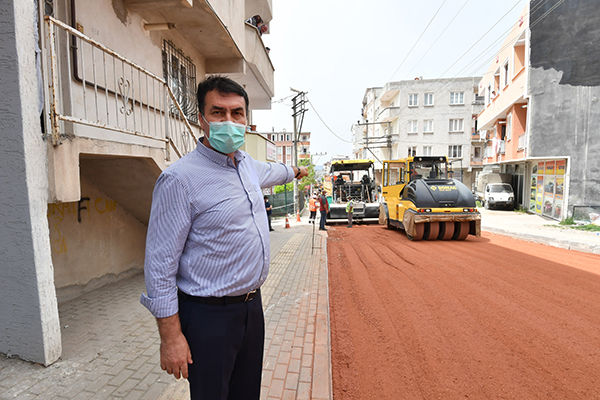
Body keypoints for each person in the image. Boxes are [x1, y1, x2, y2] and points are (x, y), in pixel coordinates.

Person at [140, 75, 308, 400]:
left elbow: (276, 171)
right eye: (218, 112)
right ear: (201, 119)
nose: (229, 121)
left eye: (237, 113)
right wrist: (171, 337)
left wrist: (296, 171)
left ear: (247, 118)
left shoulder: (247, 166)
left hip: (251, 308)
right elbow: (160, 268)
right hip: (208, 318)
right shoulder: (179, 180)